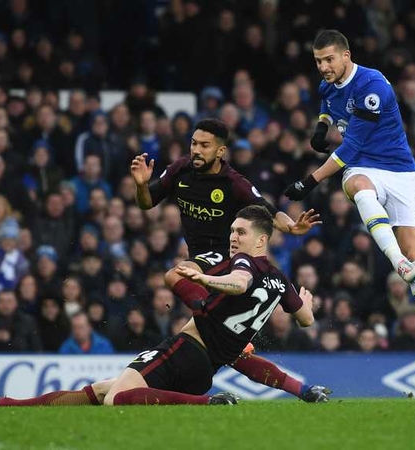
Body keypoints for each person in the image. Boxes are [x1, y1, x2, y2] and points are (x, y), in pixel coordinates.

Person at [0, 206, 330, 407]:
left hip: (183, 349)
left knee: (116, 398)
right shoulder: (280, 280)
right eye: (233, 231)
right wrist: (307, 305)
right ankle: (4, 405)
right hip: (206, 369)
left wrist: (205, 282)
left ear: (262, 240)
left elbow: (237, 282)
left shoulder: (243, 265)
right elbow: (305, 319)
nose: (233, 237)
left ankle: (209, 404)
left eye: (241, 232)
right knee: (101, 391)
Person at [283, 30, 415, 376]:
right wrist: (323, 125)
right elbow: (327, 105)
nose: (323, 67)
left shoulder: (373, 86)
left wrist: (311, 180)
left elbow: (348, 147)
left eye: (329, 59)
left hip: (400, 171)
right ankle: (398, 263)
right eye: (318, 61)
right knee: (360, 189)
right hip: (362, 168)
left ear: (347, 55)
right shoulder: (327, 83)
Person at [129, 118, 322, 401]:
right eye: (194, 143)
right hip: (202, 259)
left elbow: (266, 211)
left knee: (175, 276)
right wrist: (142, 185)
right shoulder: (180, 169)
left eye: (205, 145)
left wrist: (291, 227)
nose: (196, 150)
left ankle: (211, 320)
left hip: (228, 256)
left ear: (220, 151)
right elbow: (146, 203)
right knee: (226, 351)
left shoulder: (234, 183)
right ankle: (304, 390)